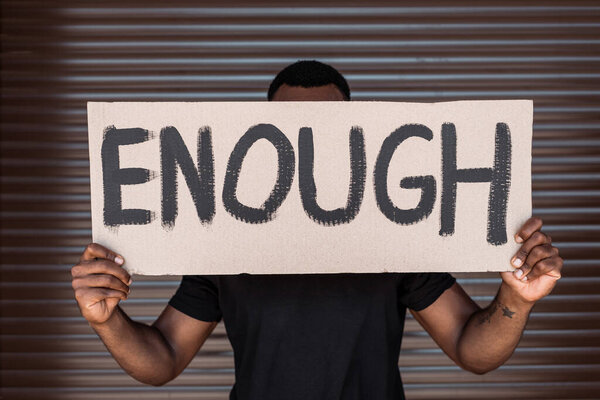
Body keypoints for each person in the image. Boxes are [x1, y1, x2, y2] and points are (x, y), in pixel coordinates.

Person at [71, 60, 563, 400]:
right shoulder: (225, 237)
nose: (305, 144)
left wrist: (515, 300)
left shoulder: (395, 233)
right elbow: (164, 358)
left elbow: (470, 350)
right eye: (290, 129)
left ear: (355, 134)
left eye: (324, 127)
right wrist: (107, 322)